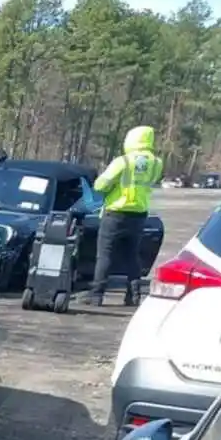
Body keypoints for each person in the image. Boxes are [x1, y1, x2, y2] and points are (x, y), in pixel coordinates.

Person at [92, 125, 165, 306]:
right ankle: (133, 295)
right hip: (139, 214)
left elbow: (100, 185)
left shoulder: (123, 162)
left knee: (105, 255)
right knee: (132, 256)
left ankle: (96, 295)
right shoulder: (156, 163)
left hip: (115, 212)